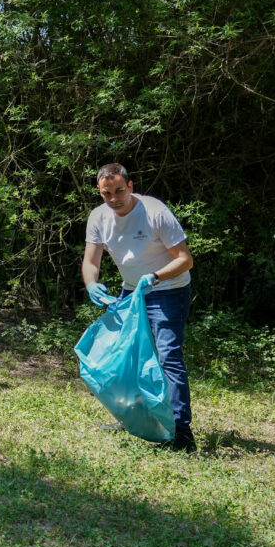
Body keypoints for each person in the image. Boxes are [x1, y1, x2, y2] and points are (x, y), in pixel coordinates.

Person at [82, 162, 197, 453]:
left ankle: (181, 433)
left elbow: (185, 259)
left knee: (168, 357)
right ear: (100, 192)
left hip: (168, 291)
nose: (114, 198)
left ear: (130, 187)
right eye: (107, 193)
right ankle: (133, 417)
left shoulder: (155, 212)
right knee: (128, 358)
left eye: (119, 190)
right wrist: (91, 284)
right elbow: (90, 261)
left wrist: (156, 276)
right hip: (131, 294)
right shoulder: (98, 217)